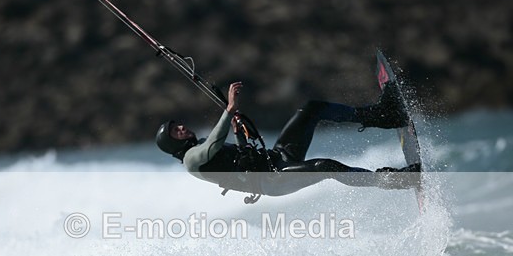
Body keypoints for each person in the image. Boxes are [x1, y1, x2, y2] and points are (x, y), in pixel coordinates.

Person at [155, 81, 420, 199]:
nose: (181, 127)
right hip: (273, 180)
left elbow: (241, 157)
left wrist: (237, 131)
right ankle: (391, 180)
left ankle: (382, 115)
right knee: (324, 166)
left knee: (311, 108)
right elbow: (213, 145)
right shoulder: (191, 161)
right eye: (175, 131)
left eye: (178, 125)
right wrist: (230, 109)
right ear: (173, 145)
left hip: (277, 157)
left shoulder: (200, 145)